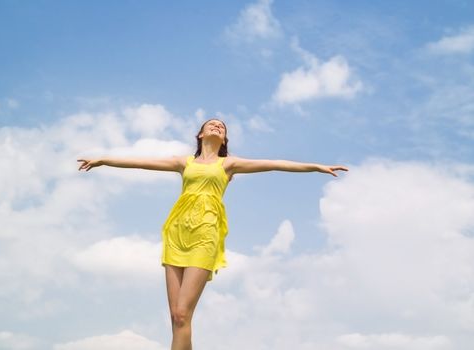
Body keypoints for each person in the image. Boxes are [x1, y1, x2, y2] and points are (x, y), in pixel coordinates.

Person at [77, 118, 348, 350]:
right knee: (176, 317)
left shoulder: (228, 165)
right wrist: (103, 160)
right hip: (177, 232)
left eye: (221, 126)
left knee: (184, 314)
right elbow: (141, 162)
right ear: (200, 134)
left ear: (225, 138)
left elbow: (274, 163)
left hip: (205, 235)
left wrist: (316, 166)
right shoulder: (184, 162)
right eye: (211, 124)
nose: (217, 126)